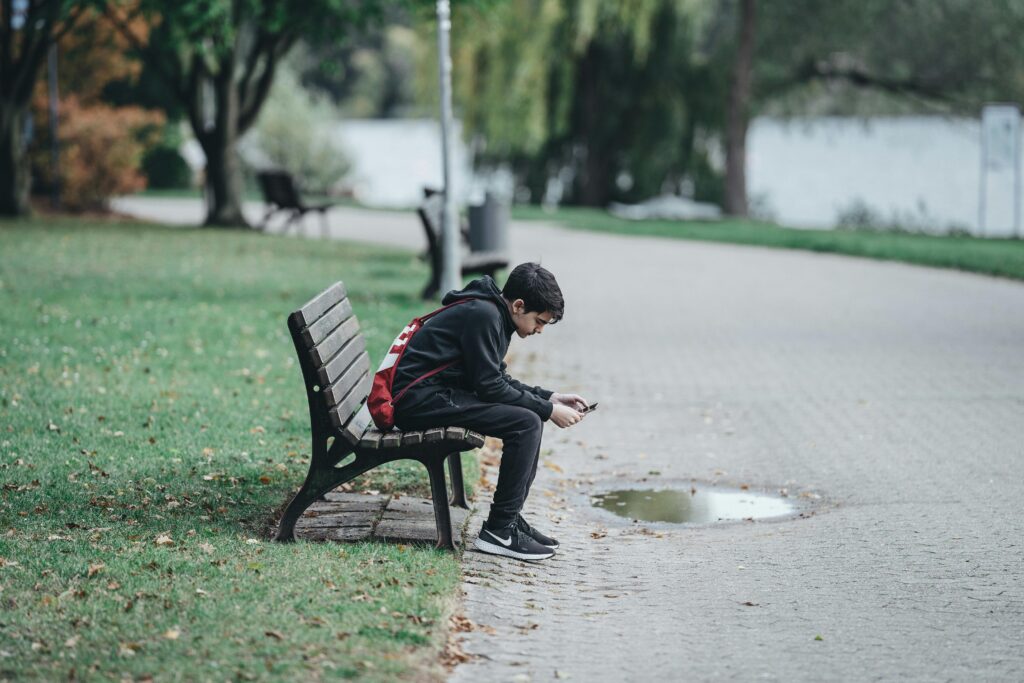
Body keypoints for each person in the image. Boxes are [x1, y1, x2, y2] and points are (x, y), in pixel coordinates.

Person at [392, 263, 588, 561]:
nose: (539, 330)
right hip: (417, 401)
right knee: (526, 423)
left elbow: (496, 378)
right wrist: (548, 410)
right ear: (519, 305)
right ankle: (498, 531)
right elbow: (490, 387)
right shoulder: (484, 315)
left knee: (529, 419)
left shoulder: (494, 313)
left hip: (435, 395)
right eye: (539, 321)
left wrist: (550, 397)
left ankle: (507, 520)